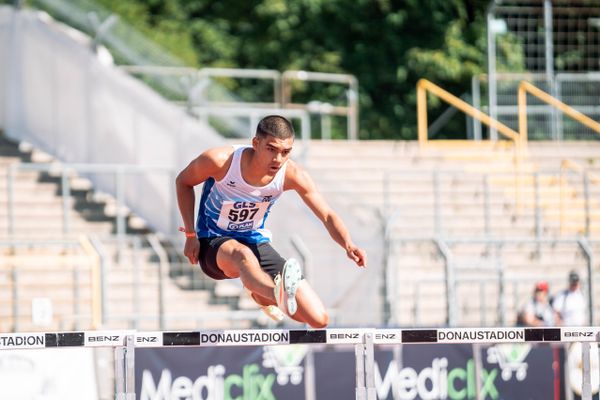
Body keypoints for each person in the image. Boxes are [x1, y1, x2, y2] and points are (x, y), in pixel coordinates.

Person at [175, 115, 367, 328]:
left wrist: (348, 244)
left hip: (254, 240)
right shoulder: (221, 161)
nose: (278, 159)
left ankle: (263, 293)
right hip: (213, 241)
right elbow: (183, 181)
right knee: (242, 255)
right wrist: (191, 234)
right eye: (272, 149)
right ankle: (272, 293)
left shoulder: (292, 174)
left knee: (318, 319)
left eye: (286, 152)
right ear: (255, 143)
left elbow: (327, 215)